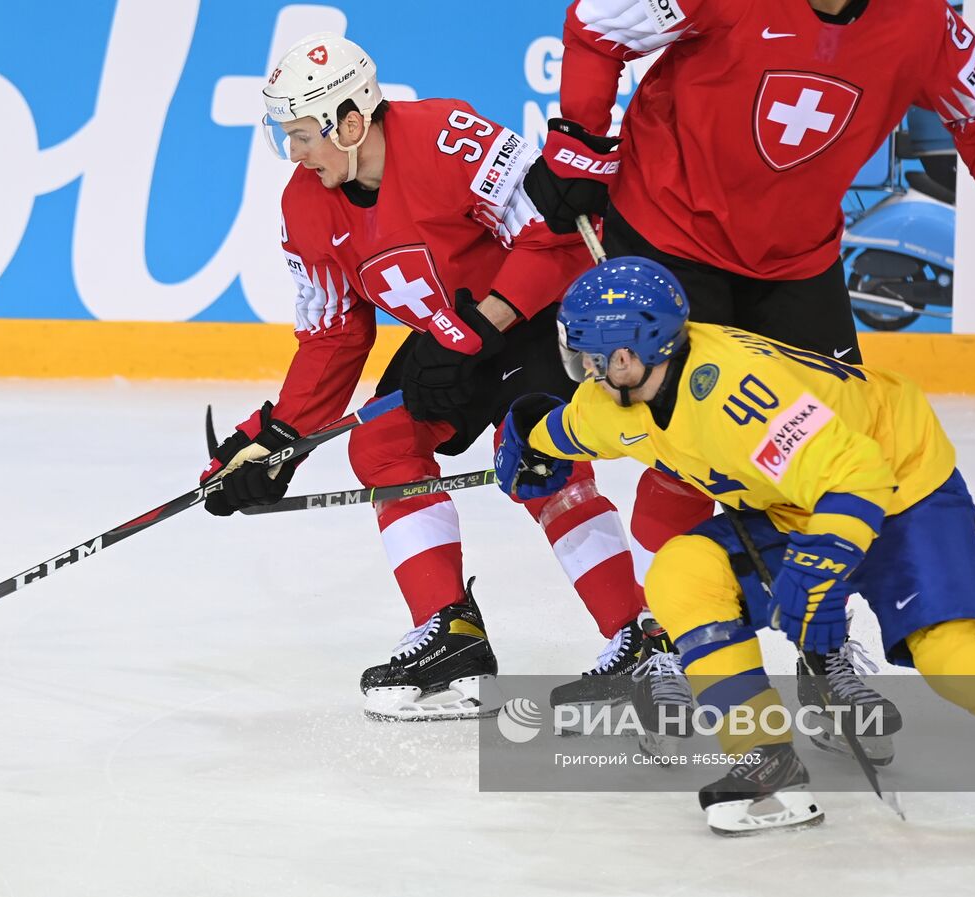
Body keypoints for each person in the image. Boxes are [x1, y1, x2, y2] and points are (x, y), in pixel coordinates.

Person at [492, 256, 975, 854]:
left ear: (628, 355)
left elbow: (859, 476)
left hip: (901, 484)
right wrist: (529, 440)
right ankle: (765, 759)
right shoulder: (626, 394)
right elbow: (575, 425)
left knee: (954, 654)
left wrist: (817, 570)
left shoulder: (734, 396)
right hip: (803, 499)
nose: (580, 367)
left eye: (587, 355)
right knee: (682, 571)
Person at [524, 0, 975, 725]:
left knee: (825, 448)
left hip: (794, 257)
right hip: (670, 230)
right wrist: (578, 140)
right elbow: (596, 26)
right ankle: (663, 637)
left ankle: (824, 644)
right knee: (683, 452)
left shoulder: (923, 20)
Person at [199, 32, 652, 721]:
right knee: (380, 445)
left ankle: (638, 636)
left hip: (535, 317)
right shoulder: (305, 205)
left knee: (538, 453)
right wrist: (279, 433)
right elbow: (334, 334)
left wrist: (484, 326)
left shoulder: (447, 136)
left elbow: (559, 231)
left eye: (301, 135)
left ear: (351, 122)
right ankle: (453, 634)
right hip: (452, 339)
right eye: (285, 136)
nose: (293, 154)